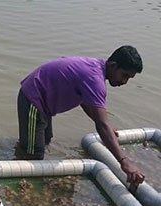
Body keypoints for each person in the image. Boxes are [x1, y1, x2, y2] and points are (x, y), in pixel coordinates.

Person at [16, 45, 146, 184]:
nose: (125, 81)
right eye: (124, 75)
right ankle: (22, 182)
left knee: (45, 140)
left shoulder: (96, 68)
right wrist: (124, 162)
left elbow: (86, 102)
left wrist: (106, 125)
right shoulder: (94, 79)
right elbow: (101, 125)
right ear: (113, 66)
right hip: (34, 100)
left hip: (44, 100)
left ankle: (21, 152)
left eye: (129, 78)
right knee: (34, 153)